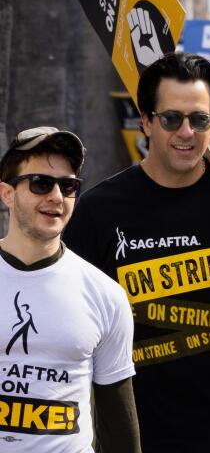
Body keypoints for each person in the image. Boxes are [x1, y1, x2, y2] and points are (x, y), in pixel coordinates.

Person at [63, 52, 210, 453]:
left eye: (199, 119)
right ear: (147, 121)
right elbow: (72, 327)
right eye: (172, 118)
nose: (186, 132)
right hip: (134, 436)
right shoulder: (100, 209)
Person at [0, 127, 139, 452]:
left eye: (68, 186)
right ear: (7, 193)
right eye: (41, 183)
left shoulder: (105, 295)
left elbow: (118, 421)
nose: (56, 197)